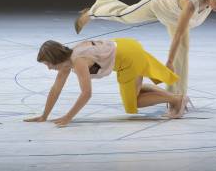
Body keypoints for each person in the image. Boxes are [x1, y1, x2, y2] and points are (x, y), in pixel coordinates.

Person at [73, 0, 216, 104]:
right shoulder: (190, 5)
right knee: (125, 16)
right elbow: (179, 34)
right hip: (157, 4)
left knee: (183, 50)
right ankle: (92, 12)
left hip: (173, 16)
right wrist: (168, 60)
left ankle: (176, 97)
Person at [24, 38, 185, 127]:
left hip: (129, 58)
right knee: (133, 91)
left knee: (133, 103)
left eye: (48, 64)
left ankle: (177, 99)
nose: (48, 68)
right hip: (126, 46)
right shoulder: (68, 60)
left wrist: (68, 117)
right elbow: (56, 88)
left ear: (54, 59)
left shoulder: (77, 60)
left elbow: (86, 94)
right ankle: (176, 97)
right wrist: (44, 116)